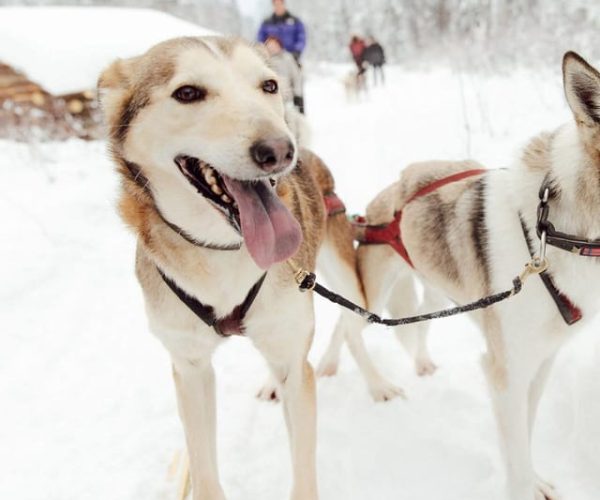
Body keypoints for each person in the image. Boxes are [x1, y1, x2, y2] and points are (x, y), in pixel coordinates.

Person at [265, 36, 304, 113]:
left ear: (279, 46)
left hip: (287, 99)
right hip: (269, 100)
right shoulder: (264, 60)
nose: (271, 48)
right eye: (269, 45)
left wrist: (298, 95)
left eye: (274, 45)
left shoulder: (287, 58)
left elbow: (296, 77)